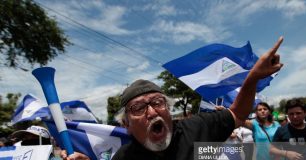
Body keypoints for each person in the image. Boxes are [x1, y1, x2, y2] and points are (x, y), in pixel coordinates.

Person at [62, 36, 284, 160]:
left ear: (168, 110)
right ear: (127, 125)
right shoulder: (124, 158)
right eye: (138, 108)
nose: (151, 112)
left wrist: (252, 79)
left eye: (157, 103)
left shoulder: (197, 127)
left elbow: (237, 113)